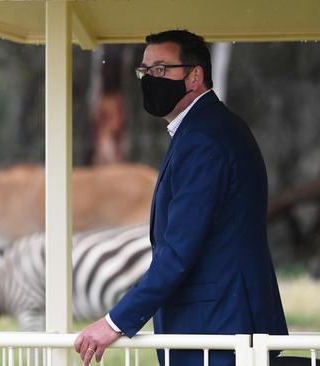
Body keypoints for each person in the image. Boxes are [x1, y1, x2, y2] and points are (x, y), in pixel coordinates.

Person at [74, 29, 288, 366]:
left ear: (195, 76)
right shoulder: (208, 129)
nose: (150, 79)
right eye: (144, 71)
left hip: (219, 331)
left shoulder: (204, 138)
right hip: (224, 325)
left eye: (161, 69)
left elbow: (177, 253)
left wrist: (113, 323)